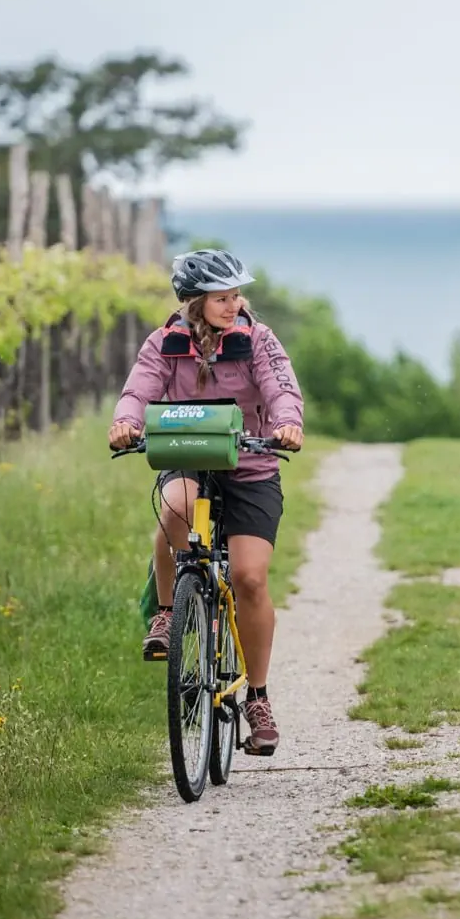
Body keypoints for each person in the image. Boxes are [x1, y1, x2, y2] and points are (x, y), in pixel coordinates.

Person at [108, 248, 304, 757]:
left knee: (249, 579)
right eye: (223, 297)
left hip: (252, 468)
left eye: (237, 295)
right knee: (174, 505)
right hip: (191, 458)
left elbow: (281, 387)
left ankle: (257, 699)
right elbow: (137, 390)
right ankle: (169, 611)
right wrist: (125, 421)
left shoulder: (258, 340)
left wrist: (287, 423)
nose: (234, 305)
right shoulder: (164, 344)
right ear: (195, 303)